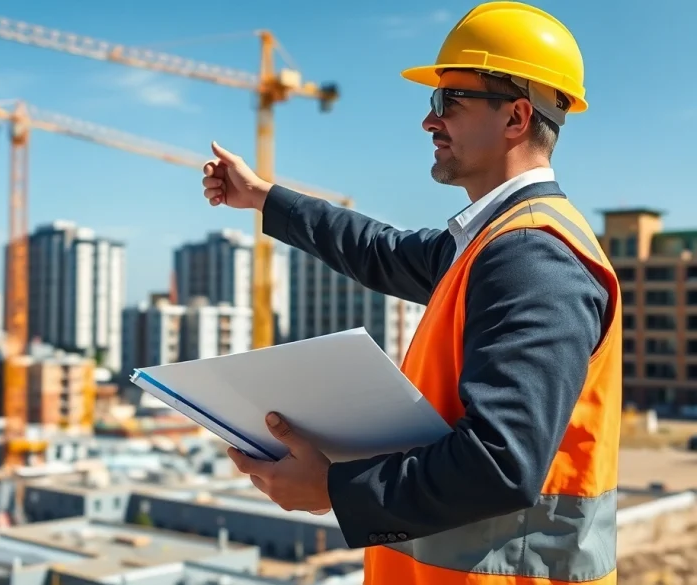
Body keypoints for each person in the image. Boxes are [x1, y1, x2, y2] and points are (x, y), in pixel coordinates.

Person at [201, 2, 622, 584]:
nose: (430, 121)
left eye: (449, 100)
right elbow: (380, 249)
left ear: (517, 117)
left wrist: (332, 488)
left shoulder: (532, 256)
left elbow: (501, 463)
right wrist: (265, 198)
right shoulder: (494, 243)